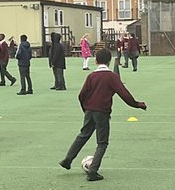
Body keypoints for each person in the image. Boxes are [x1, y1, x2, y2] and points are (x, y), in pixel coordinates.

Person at [58, 48, 147, 181]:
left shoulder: (91, 76)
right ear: (109, 61)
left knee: (83, 135)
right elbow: (124, 94)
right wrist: (137, 104)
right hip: (102, 112)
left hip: (89, 111)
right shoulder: (112, 77)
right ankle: (93, 171)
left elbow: (81, 95)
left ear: (96, 61)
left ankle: (67, 160)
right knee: (102, 143)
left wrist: (86, 109)